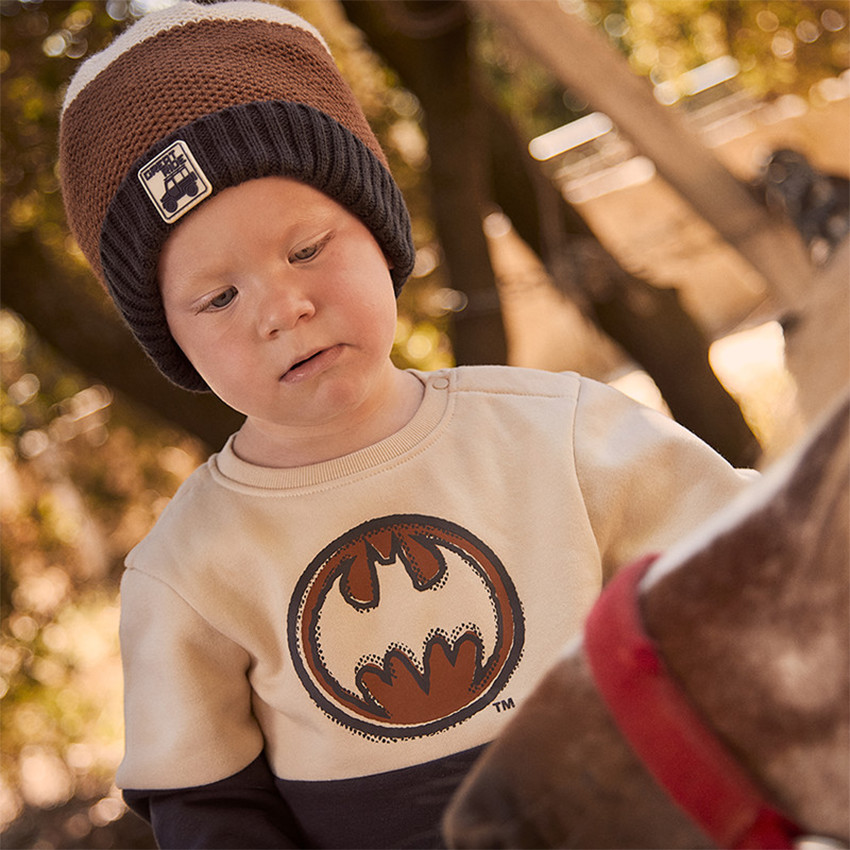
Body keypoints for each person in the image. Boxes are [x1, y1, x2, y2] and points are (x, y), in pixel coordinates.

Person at [58, 2, 755, 847]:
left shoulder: (556, 436)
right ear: (171, 337)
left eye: (307, 248)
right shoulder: (189, 571)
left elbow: (754, 576)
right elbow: (209, 812)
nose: (284, 308)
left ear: (381, 230)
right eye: (218, 297)